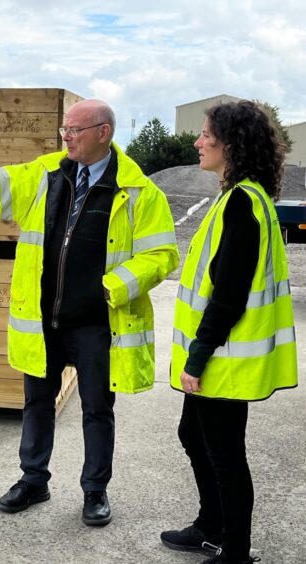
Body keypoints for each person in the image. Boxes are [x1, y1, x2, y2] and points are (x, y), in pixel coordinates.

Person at [0, 99, 178, 525]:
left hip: (98, 322)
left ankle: (95, 490)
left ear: (103, 133)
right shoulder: (45, 173)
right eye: (64, 129)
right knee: (37, 403)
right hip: (45, 317)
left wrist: (110, 288)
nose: (66, 136)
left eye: (75, 130)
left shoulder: (140, 192)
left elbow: (161, 254)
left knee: (97, 409)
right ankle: (33, 480)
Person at [161, 100, 298, 564]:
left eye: (205, 134)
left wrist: (196, 358)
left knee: (224, 454)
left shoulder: (242, 203)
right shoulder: (241, 195)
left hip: (222, 356)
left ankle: (234, 549)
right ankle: (211, 524)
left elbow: (228, 295)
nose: (198, 141)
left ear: (231, 144)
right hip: (217, 352)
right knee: (193, 435)